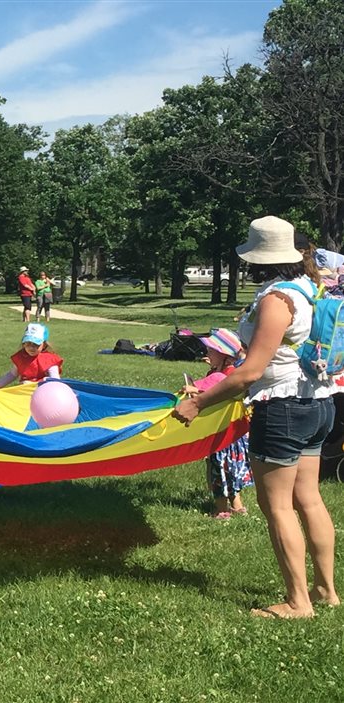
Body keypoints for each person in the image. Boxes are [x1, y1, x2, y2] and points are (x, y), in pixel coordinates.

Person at [173, 216, 339, 618]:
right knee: (309, 498)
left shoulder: (276, 299)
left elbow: (251, 372)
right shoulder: (310, 287)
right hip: (317, 403)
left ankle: (297, 602)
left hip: (283, 408)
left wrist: (198, 403)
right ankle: (325, 591)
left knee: (277, 505)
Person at [180, 328, 251, 519]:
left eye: (212, 351)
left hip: (222, 434)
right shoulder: (226, 372)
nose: (207, 353)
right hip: (233, 433)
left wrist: (193, 390)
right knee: (231, 470)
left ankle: (221, 510)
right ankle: (237, 506)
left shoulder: (222, 377)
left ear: (224, 355)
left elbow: (213, 390)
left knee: (219, 470)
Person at [0, 323, 63, 388]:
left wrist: (35, 384)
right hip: (24, 392)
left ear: (44, 345)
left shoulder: (49, 360)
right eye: (28, 343)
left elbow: (55, 381)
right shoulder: (21, 357)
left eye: (36, 344)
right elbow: (12, 374)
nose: (31, 348)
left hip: (43, 392)